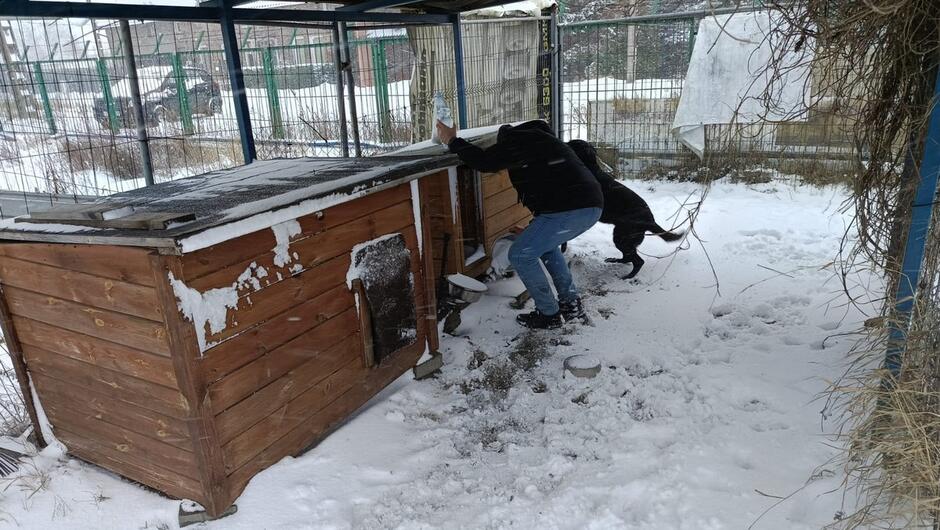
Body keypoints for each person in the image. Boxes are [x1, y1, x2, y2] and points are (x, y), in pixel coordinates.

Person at [436, 120, 602, 329]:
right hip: (588, 206)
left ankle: (548, 314)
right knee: (546, 248)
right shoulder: (544, 143)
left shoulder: (519, 141)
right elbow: (553, 186)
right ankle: (570, 305)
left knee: (520, 255)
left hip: (570, 209)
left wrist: (452, 140)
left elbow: (484, 161)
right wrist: (537, 228)